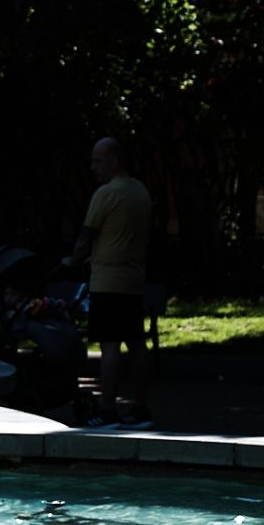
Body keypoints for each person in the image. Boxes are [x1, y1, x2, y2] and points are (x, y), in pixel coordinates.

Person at [66, 137, 153, 429]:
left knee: (110, 346)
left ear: (114, 160)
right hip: (133, 280)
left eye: (98, 161)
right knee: (137, 344)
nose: (93, 167)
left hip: (107, 281)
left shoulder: (106, 194)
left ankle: (107, 409)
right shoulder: (140, 192)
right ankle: (141, 409)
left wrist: (74, 260)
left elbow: (86, 237)